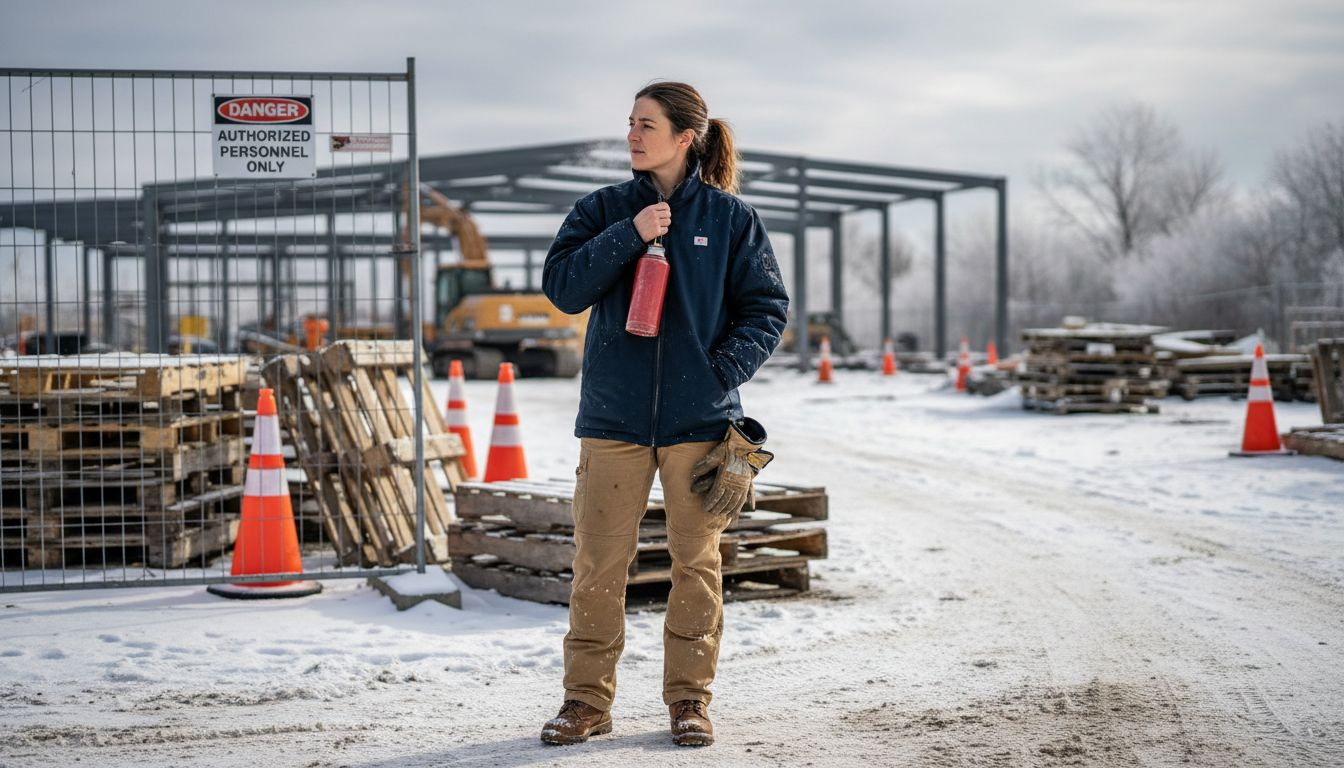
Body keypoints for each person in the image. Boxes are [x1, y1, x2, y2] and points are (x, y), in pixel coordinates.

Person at [539, 81, 788, 747]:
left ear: (685, 138)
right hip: (613, 422)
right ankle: (585, 703)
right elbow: (562, 289)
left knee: (696, 565)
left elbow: (767, 307)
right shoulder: (602, 210)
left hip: (700, 423)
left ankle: (689, 702)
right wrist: (630, 233)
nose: (632, 135)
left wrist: (722, 371)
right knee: (599, 566)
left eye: (645, 124)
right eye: (629, 123)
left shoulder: (732, 220)